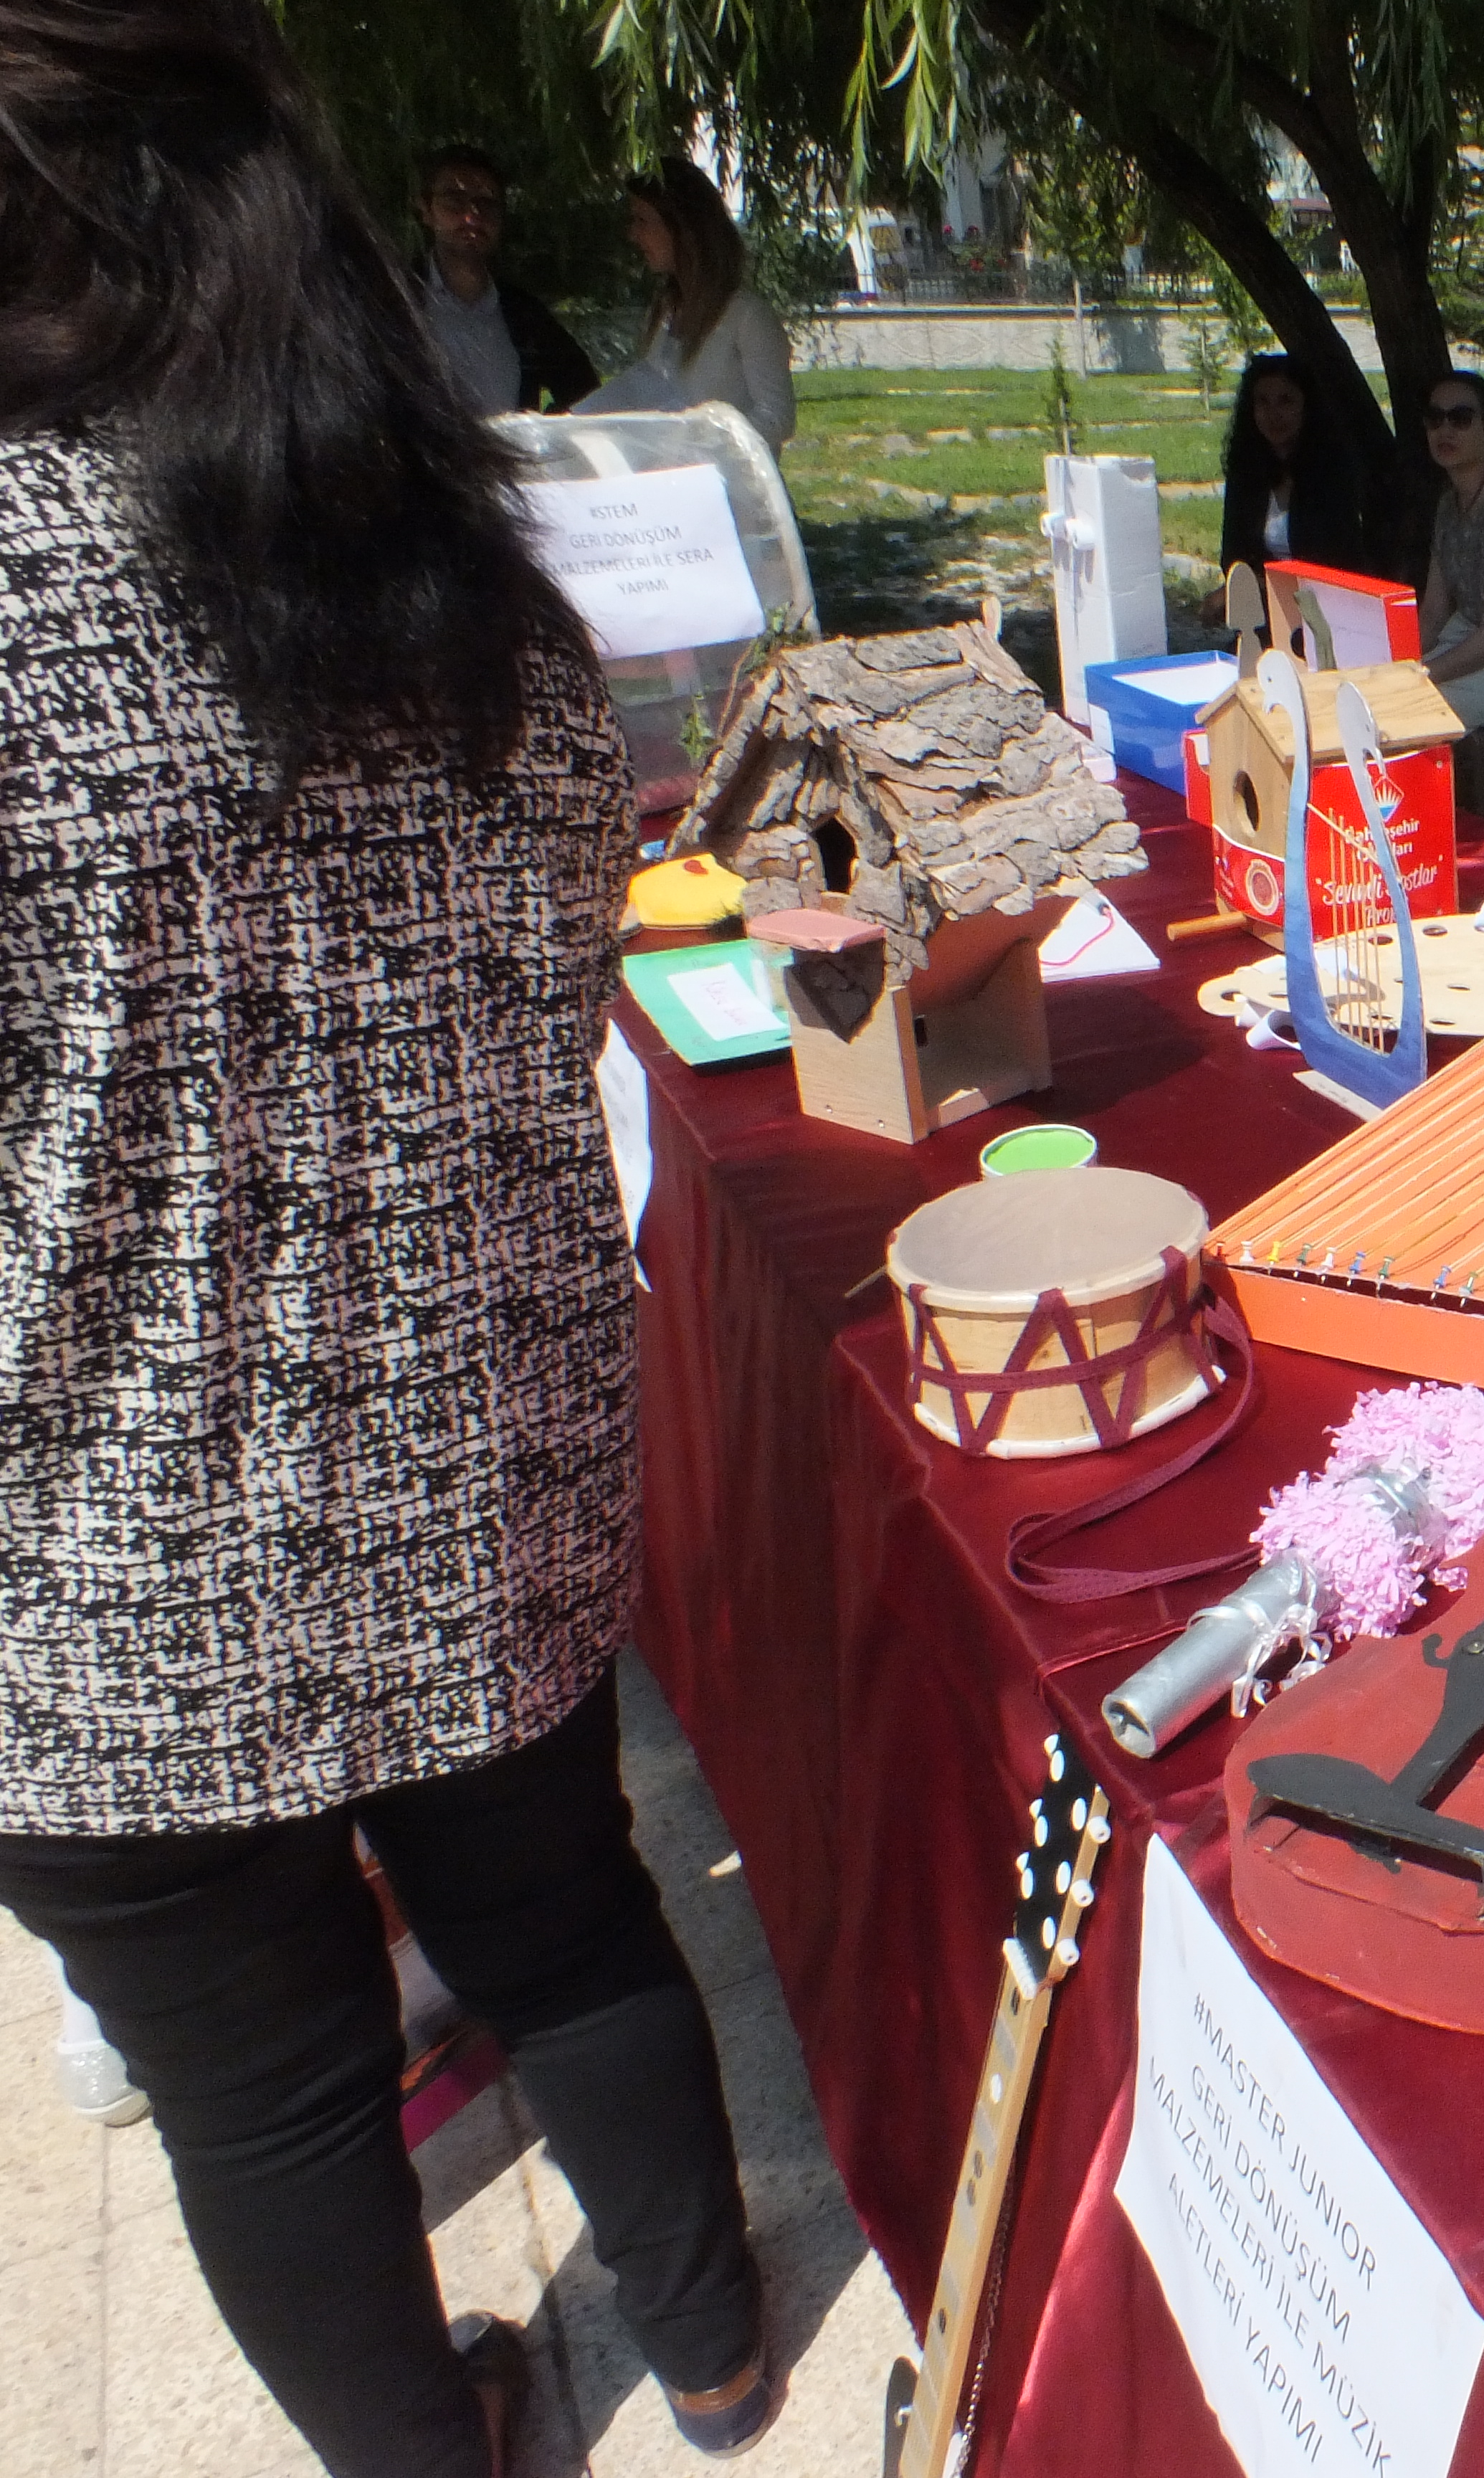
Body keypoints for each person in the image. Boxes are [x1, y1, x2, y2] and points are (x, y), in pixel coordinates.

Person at [0, 6, 774, 2474]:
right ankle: (726, 2345)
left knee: (272, 2098)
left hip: (101, 1558)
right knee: (573, 1922)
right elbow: (565, 980)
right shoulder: (484, 615)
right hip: (473, 1465)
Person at [579, 153, 797, 448]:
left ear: (683, 226)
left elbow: (777, 418)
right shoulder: (665, 313)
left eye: (643, 220)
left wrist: (701, 446)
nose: (633, 234)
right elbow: (644, 389)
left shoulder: (747, 316)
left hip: (734, 490)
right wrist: (576, 423)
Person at [408, 142, 599, 417]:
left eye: (486, 202)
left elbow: (586, 395)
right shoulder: (396, 303)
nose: (471, 216)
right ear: (426, 210)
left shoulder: (525, 316)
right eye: (454, 200)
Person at [1417, 369, 1484, 732]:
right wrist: (1397, 668)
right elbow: (1433, 611)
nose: (1445, 430)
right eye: (1435, 418)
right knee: (1382, 696)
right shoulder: (1448, 504)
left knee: (1419, 711)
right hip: (1468, 631)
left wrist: (1425, 674)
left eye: (1460, 418)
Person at [1216, 351, 1371, 579]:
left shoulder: (1333, 474)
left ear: (1307, 407)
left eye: (1285, 401)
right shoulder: (1246, 472)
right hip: (1263, 599)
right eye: (1263, 402)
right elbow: (1234, 555)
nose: (1274, 414)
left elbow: (1334, 560)